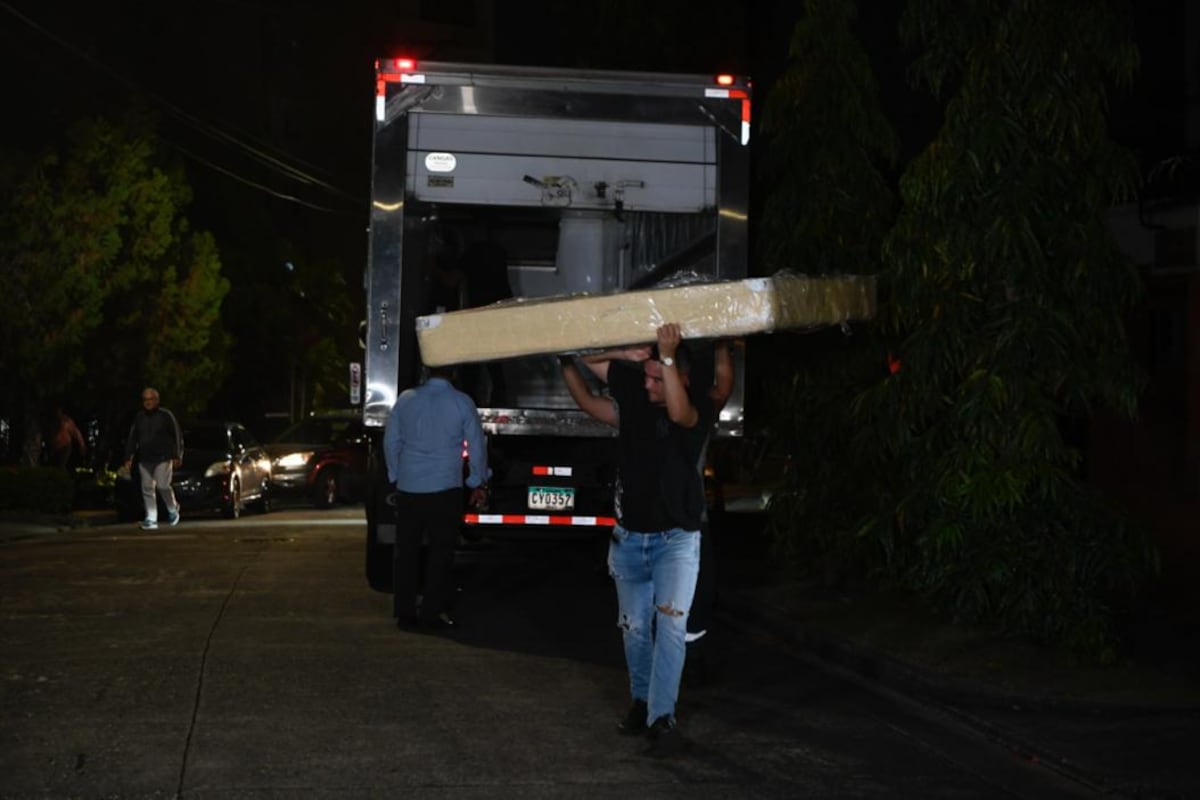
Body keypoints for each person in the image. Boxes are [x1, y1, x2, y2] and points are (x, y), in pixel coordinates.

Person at [561, 323, 714, 756]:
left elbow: (680, 413)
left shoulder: (695, 410)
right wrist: (623, 355)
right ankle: (642, 702)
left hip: (675, 542)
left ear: (679, 376)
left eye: (656, 378)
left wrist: (665, 356)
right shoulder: (635, 394)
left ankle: (662, 717)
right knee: (633, 630)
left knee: (671, 627)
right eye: (645, 377)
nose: (647, 384)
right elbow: (587, 367)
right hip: (628, 539)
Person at [383, 364, 489, 631]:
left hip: (409, 488)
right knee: (440, 554)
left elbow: (391, 441)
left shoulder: (406, 399)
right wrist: (477, 481)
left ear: (426, 372)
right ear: (454, 373)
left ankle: (405, 613)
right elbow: (476, 446)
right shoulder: (462, 402)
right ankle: (431, 613)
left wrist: (396, 474)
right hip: (445, 488)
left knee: (406, 553)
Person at [123, 388, 183, 531]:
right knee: (147, 488)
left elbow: (177, 435)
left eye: (150, 399)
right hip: (144, 458)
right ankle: (151, 518)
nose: (147, 402)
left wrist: (177, 455)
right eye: (145, 399)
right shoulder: (139, 417)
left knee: (163, 486)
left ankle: (172, 508)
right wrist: (128, 457)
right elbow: (133, 437)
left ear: (157, 400)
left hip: (163, 457)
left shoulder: (166, 415)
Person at [47, 406, 87, 470]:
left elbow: (76, 432)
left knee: (61, 465)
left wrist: (82, 444)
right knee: (54, 465)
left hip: (65, 445)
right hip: (55, 446)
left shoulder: (66, 421)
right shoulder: (52, 421)